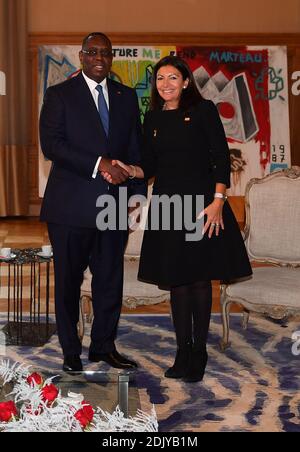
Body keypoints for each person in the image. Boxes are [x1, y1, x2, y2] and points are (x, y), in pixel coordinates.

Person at [102, 55, 252, 383]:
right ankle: (182, 350)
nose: (165, 84)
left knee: (199, 281)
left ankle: (199, 351)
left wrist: (218, 202)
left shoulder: (203, 110)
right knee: (178, 282)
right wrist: (131, 170)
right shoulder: (153, 118)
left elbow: (220, 157)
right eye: (160, 79)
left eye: (173, 78)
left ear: (186, 82)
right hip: (169, 206)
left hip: (202, 205)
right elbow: (151, 165)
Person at [39, 32, 146, 372]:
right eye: (93, 52)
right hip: (70, 207)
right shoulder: (59, 95)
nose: (100, 57)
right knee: (68, 282)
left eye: (106, 52)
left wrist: (132, 184)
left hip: (114, 207)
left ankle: (103, 346)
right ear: (82, 56)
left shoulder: (127, 97)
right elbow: (52, 145)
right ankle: (71, 350)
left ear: (111, 58)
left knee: (109, 281)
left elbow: (135, 149)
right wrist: (101, 164)